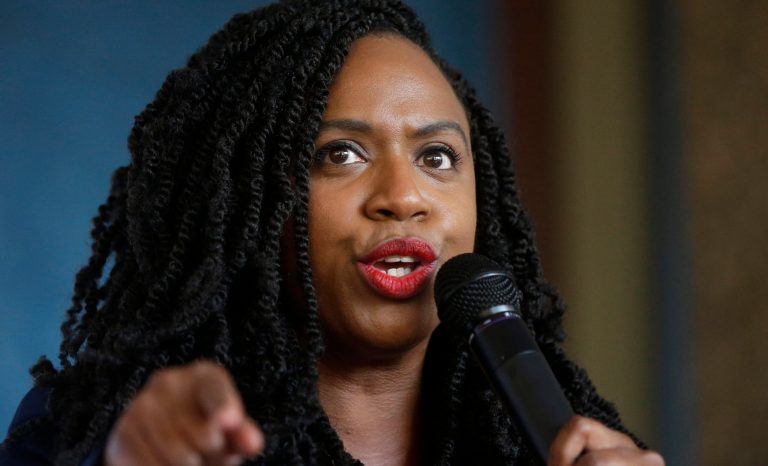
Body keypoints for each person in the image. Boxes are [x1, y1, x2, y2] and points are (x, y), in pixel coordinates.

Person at [0, 1, 664, 465]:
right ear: (249, 204)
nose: (404, 197)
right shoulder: (88, 434)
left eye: (436, 157)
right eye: (340, 154)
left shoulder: (558, 443)